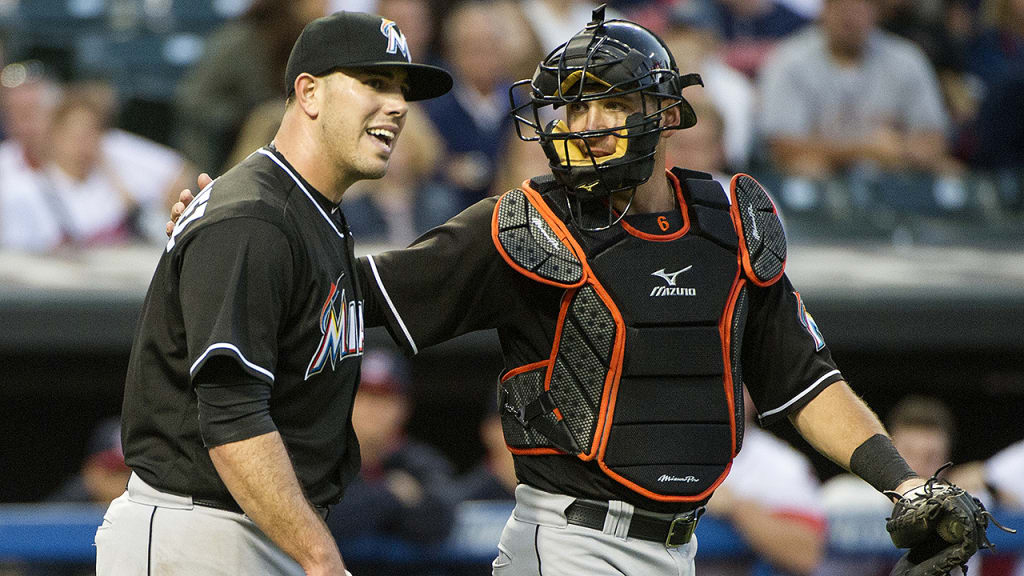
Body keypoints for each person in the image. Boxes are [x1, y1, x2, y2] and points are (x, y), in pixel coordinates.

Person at [172, 7, 989, 575]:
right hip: (570, 543)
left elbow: (803, 378)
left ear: (664, 112)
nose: (587, 124)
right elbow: (355, 294)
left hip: (683, 544)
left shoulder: (733, 221)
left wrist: (904, 483)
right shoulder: (521, 225)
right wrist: (228, 232)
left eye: (609, 103)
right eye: (571, 108)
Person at [100, 11, 451, 576]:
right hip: (202, 533)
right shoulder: (255, 219)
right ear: (308, 93)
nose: (398, 105)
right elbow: (232, 416)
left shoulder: (308, 213)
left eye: (402, 89)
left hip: (252, 528)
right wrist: (321, 559)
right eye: (375, 83)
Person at [327, 349, 457, 549]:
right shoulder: (322, 459)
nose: (372, 407)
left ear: (403, 407)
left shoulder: (421, 463)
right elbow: (326, 521)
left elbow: (440, 519)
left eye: (384, 397)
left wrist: (361, 503)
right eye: (364, 394)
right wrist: (391, 494)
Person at [703, 388, 826, 576]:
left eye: (735, 387)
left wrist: (738, 508)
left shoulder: (782, 464)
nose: (724, 397)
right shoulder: (658, 453)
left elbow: (807, 555)